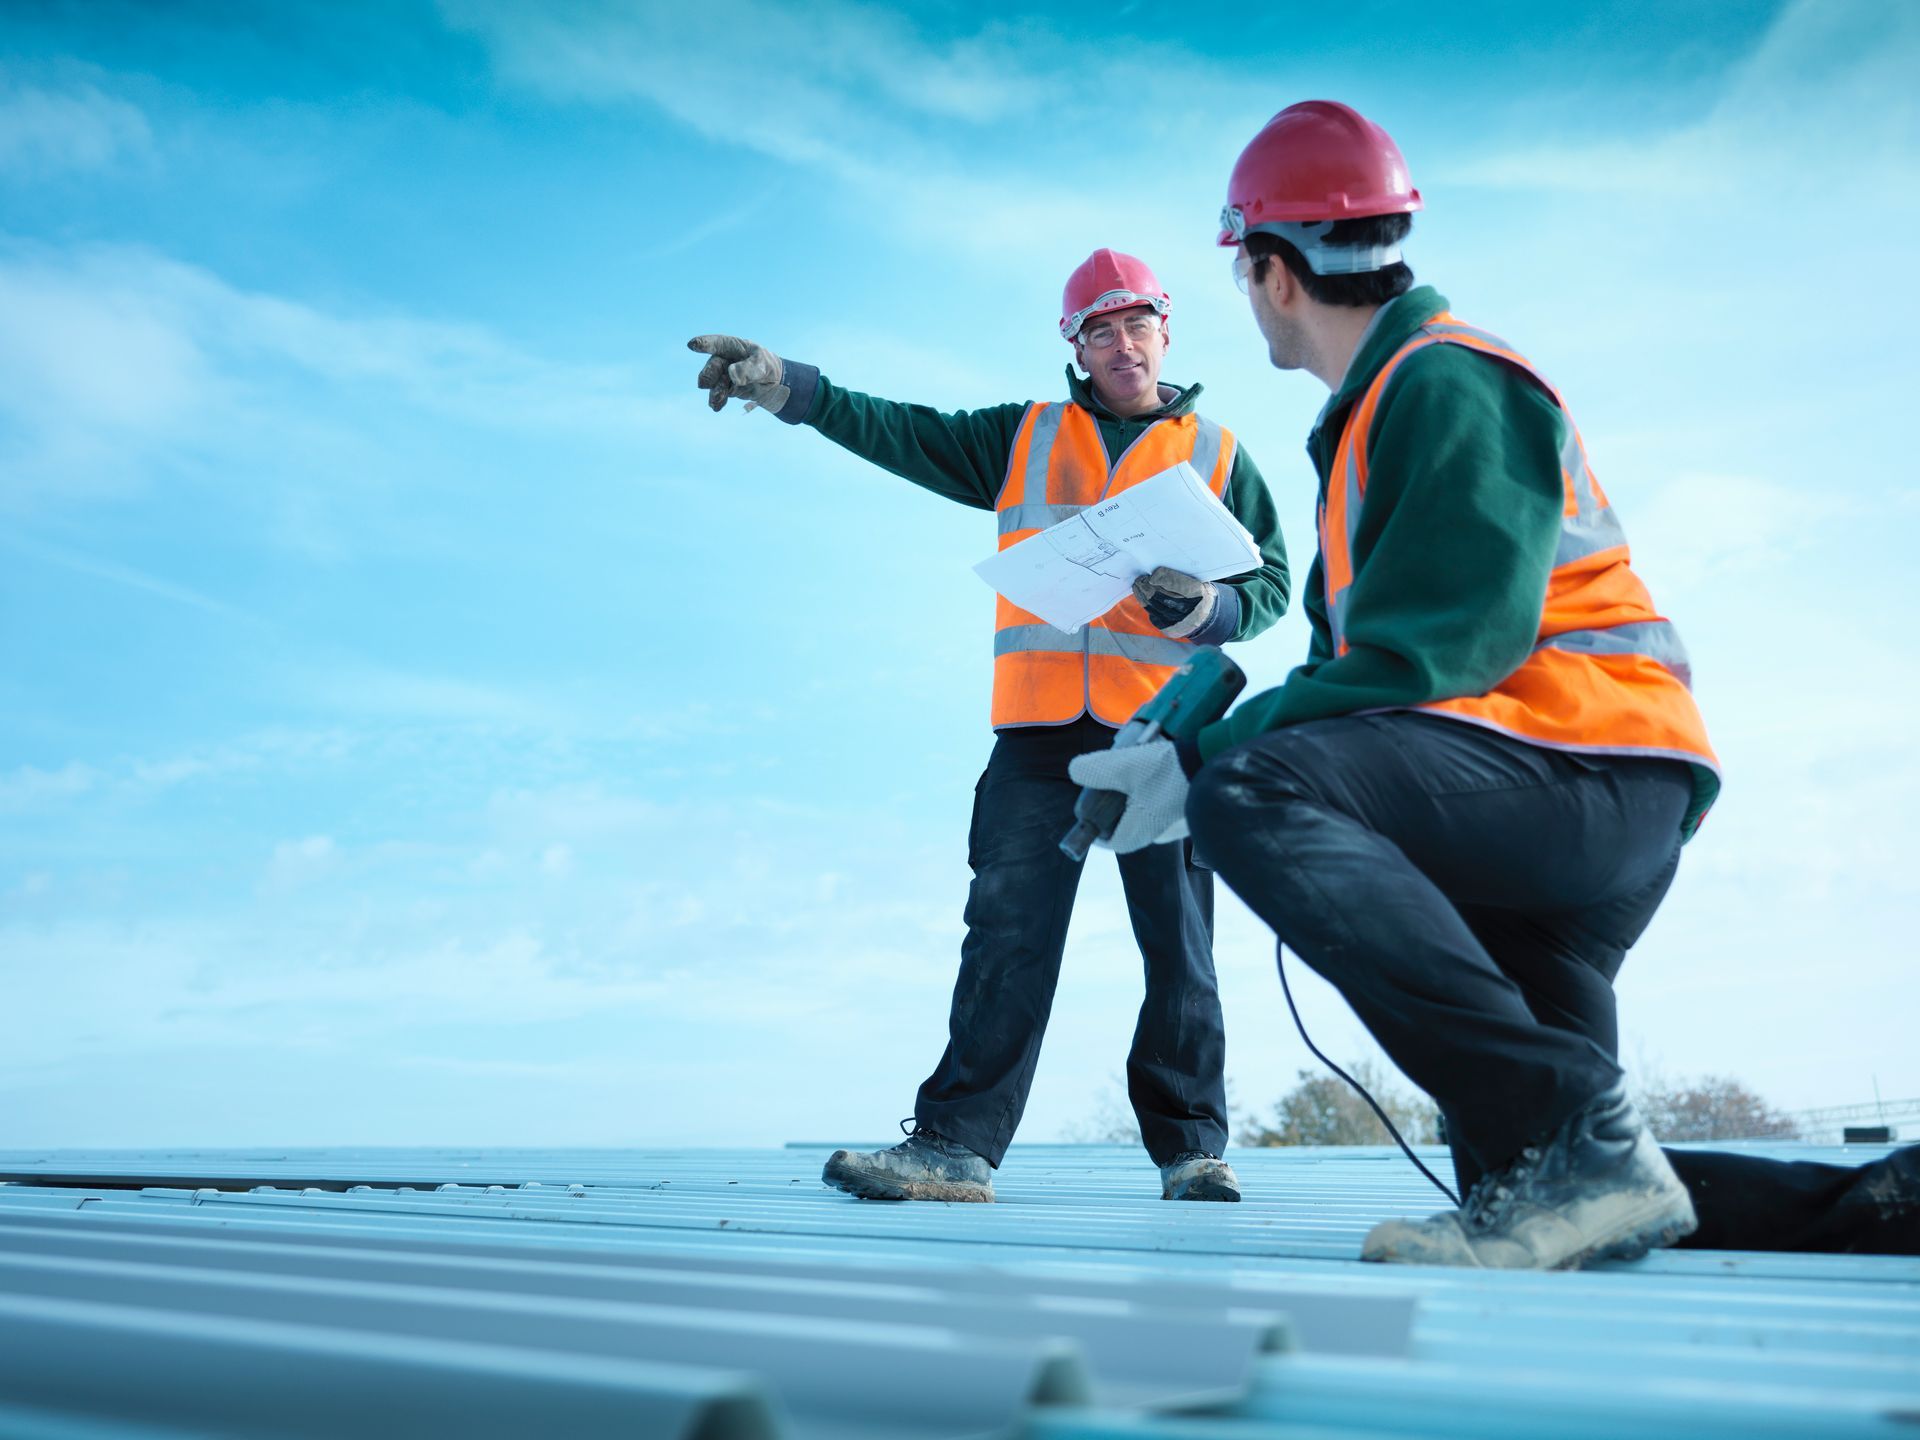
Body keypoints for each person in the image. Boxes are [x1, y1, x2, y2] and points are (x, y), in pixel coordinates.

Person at [1068, 101, 1917, 1267]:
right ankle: (1877, 1205)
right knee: (1534, 1177)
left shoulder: (1446, 378)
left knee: (1258, 794)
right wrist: (1204, 723)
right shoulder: (1373, 419)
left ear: (1268, 272)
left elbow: (1433, 654)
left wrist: (1207, 762)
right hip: (1552, 799)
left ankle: (1576, 1133)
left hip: (1582, 770)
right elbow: (1357, 669)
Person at [688, 250, 1290, 1204]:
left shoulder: (1218, 455)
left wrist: (1208, 607)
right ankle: (955, 1149)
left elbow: (1270, 588)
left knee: (1179, 944)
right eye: (1101, 329)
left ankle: (1193, 1153)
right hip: (1042, 732)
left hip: (1163, 736)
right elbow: (901, 431)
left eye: (1137, 324)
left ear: (1165, 330)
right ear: (1075, 345)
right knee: (1007, 930)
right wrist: (785, 387)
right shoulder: (1023, 437)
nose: (1123, 344)